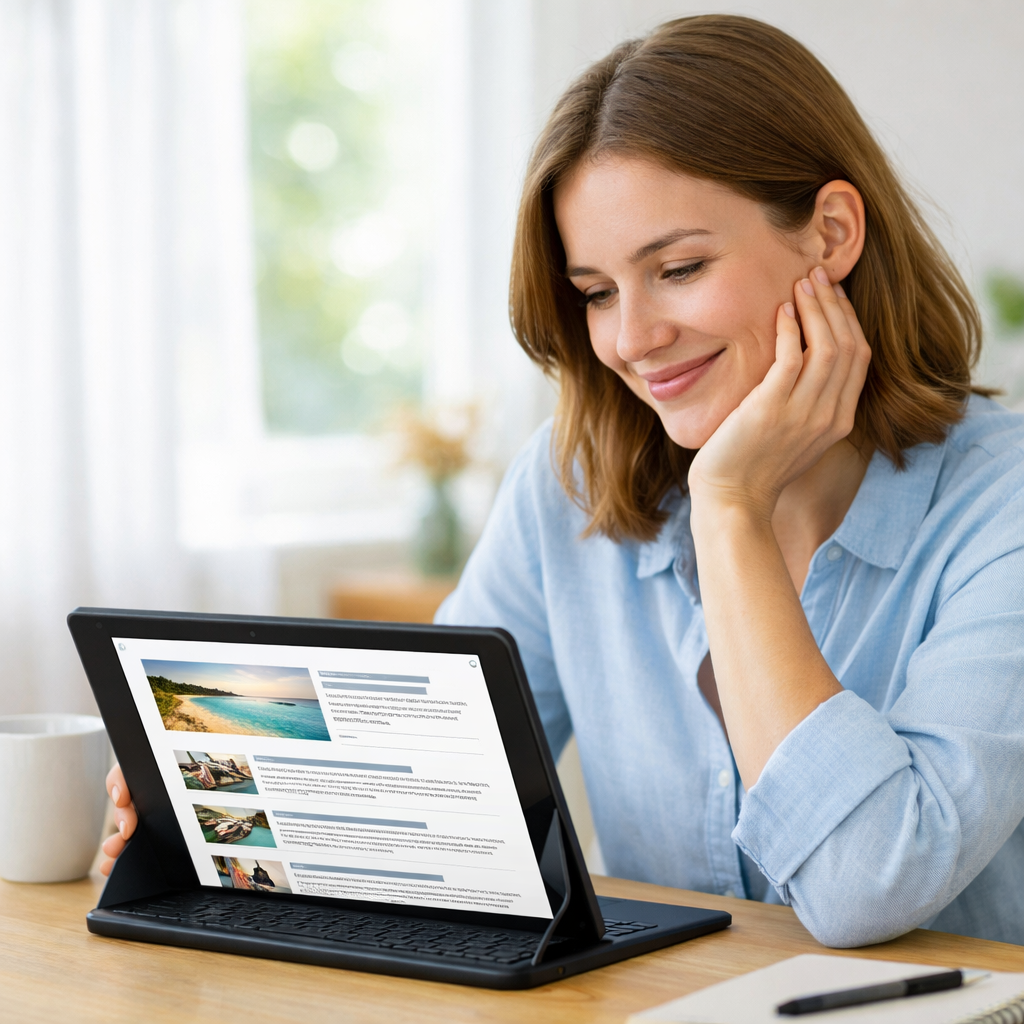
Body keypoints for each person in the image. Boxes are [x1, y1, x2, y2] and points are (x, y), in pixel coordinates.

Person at [102, 16, 1024, 948]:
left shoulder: (1004, 504)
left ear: (830, 234)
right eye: (596, 292)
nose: (631, 339)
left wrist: (731, 510)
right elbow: (431, 782)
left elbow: (868, 887)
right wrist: (228, 788)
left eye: (679, 268)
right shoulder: (570, 484)